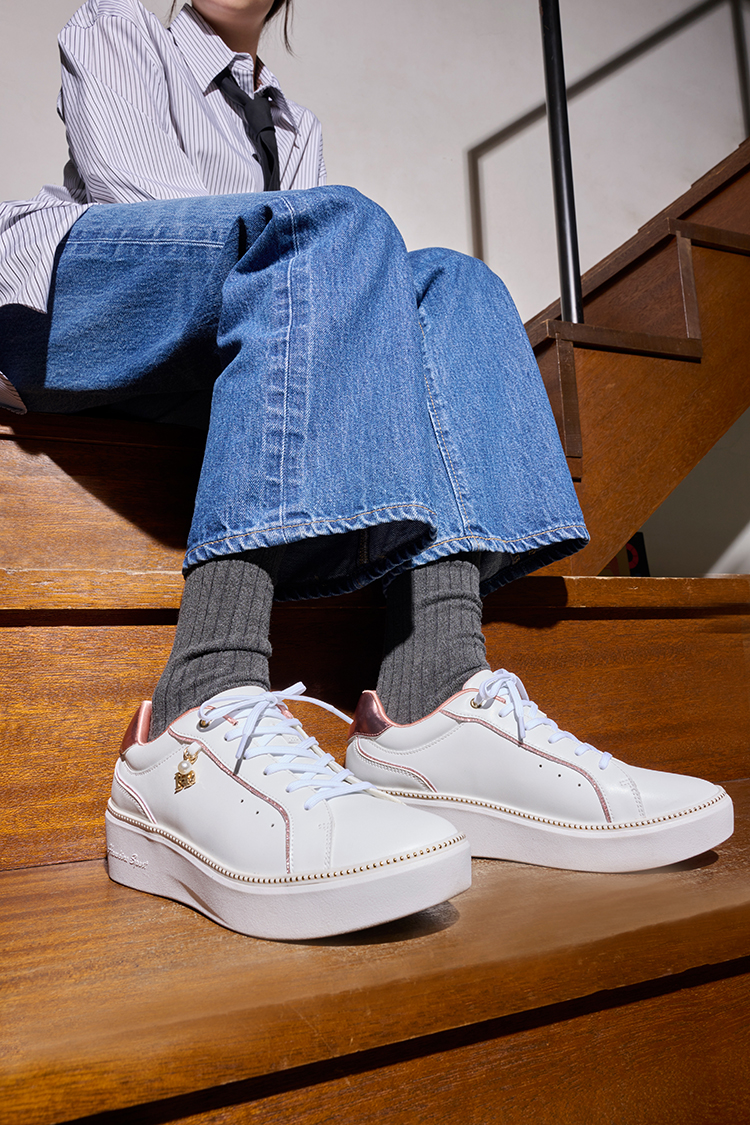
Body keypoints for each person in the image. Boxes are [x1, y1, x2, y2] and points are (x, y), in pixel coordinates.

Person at [0, 0, 733, 940]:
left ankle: (435, 699)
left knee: (457, 284)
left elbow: (313, 301)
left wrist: (338, 289)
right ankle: (200, 699)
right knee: (338, 225)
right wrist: (326, 266)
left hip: (217, 351)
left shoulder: (294, 123)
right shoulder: (121, 24)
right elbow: (145, 202)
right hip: (81, 310)